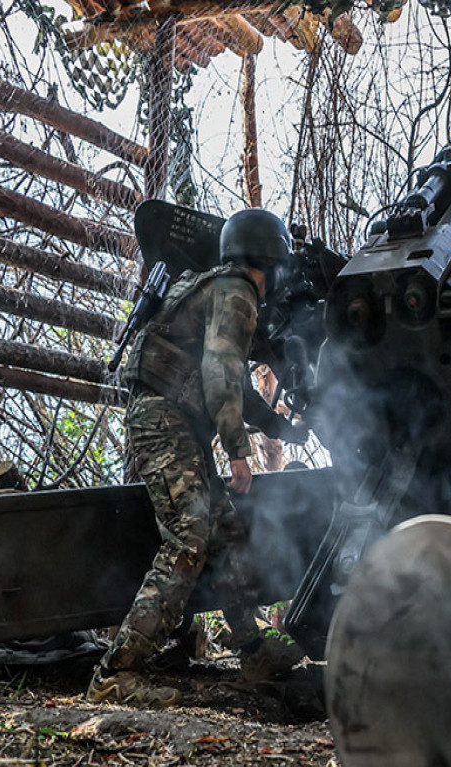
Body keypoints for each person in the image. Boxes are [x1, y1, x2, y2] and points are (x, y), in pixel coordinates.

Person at [87, 208, 301, 707]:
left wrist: (281, 427)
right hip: (166, 420)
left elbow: (231, 386)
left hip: (172, 420)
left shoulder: (214, 285)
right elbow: (221, 373)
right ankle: (115, 672)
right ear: (267, 259)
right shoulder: (238, 293)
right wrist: (239, 454)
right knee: (189, 535)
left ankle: (253, 649)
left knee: (225, 533)